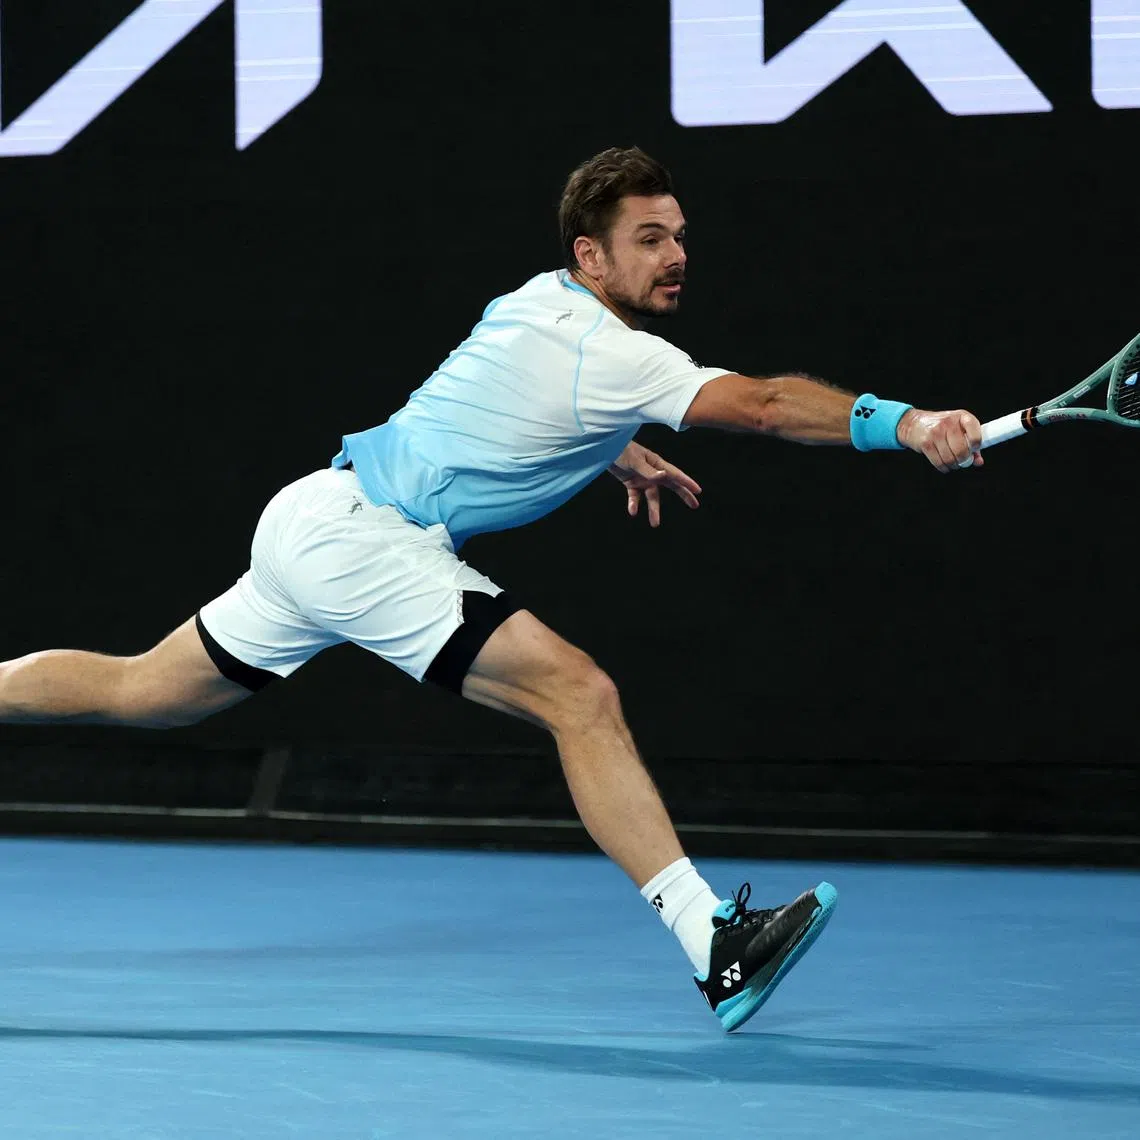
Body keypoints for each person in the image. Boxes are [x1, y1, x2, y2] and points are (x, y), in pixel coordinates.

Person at [0, 147, 984, 1032]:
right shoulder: (617, 352)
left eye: (679, 236)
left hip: (312, 516)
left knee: (142, 692)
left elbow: (508, 399)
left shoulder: (538, 300)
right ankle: (711, 939)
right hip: (364, 541)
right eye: (648, 240)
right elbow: (765, 408)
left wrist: (610, 447)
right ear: (590, 257)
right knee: (579, 694)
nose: (675, 256)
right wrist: (904, 423)